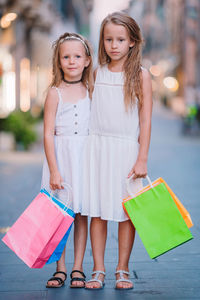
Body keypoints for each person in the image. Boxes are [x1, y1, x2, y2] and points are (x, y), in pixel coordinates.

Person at [82, 12, 152, 290]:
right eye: (109, 39)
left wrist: (142, 157)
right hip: (97, 148)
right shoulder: (96, 72)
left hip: (126, 150)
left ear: (133, 41)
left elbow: (145, 119)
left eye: (120, 39)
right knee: (97, 211)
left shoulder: (141, 75)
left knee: (127, 211)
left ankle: (122, 268)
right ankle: (98, 268)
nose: (114, 45)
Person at [41, 32, 93, 288]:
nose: (71, 61)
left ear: (86, 60)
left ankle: (78, 267)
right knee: (59, 215)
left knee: (81, 214)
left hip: (84, 159)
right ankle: (60, 267)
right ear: (59, 61)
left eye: (77, 56)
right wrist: (53, 170)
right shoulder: (54, 93)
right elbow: (48, 134)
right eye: (66, 57)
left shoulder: (92, 91)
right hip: (61, 158)